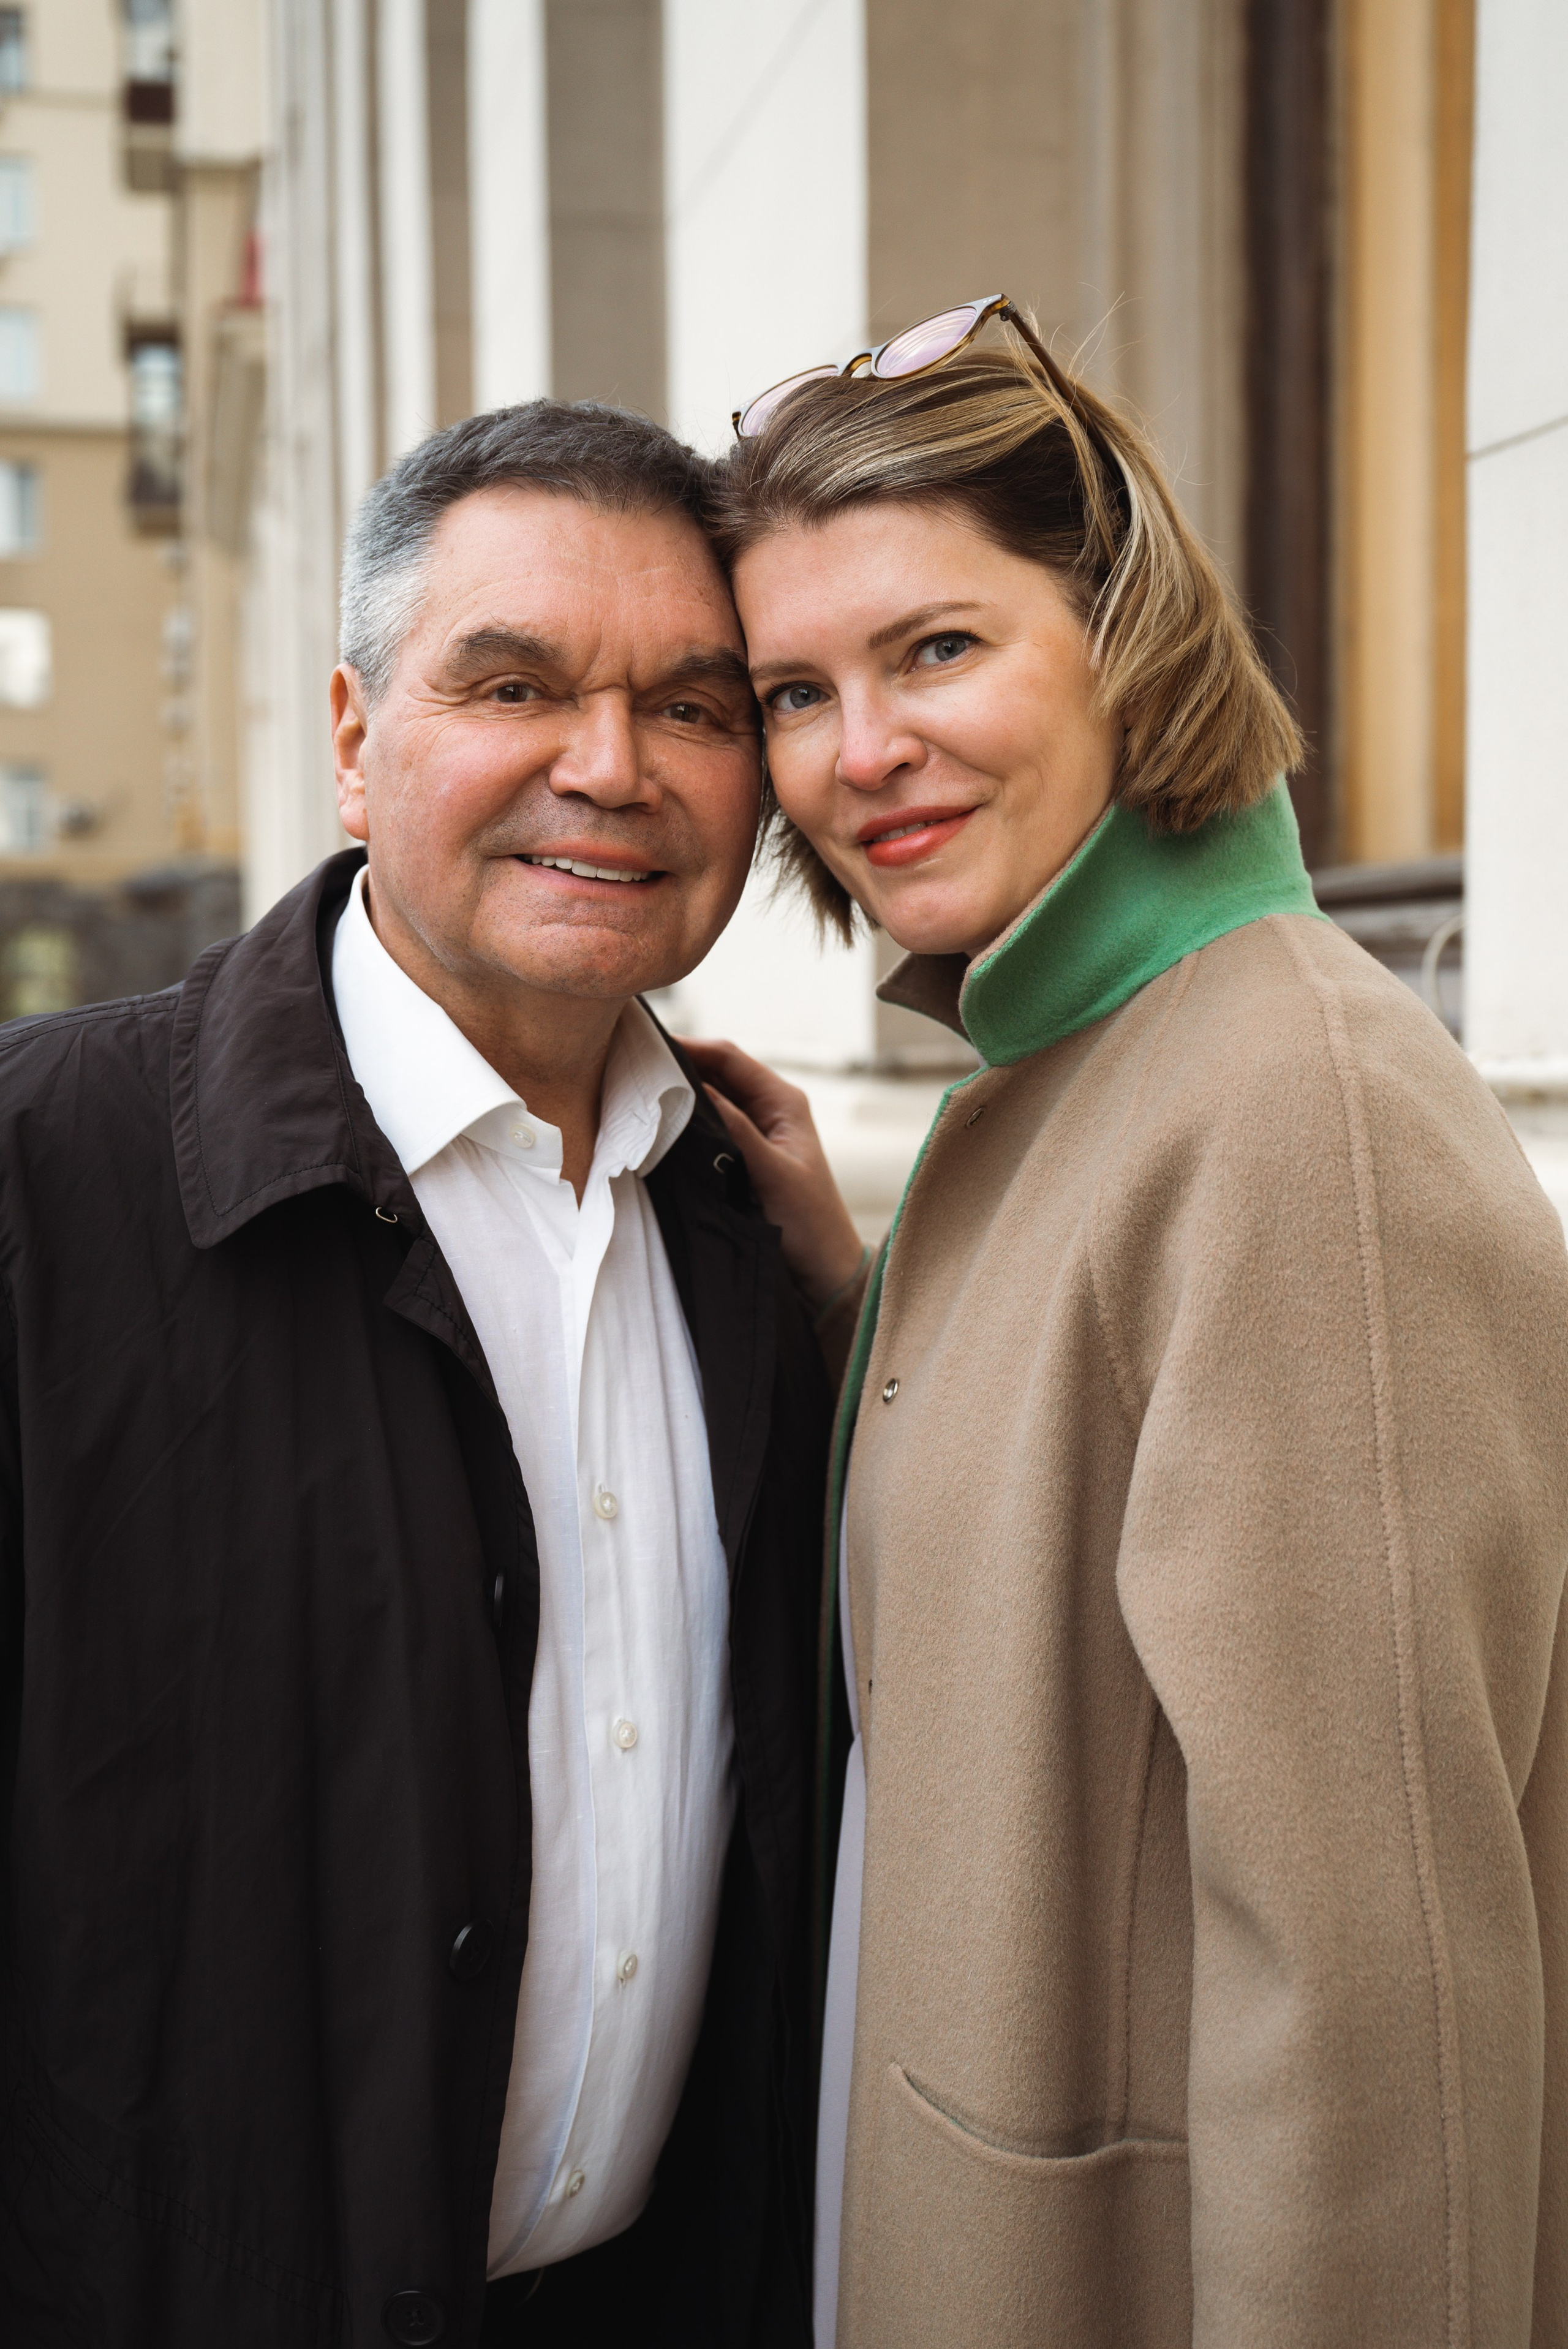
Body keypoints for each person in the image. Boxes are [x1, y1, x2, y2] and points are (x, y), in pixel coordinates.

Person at [688, 305, 1568, 2348]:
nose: (859, 752)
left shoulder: (1295, 1112)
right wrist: (865, 1308)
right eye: (796, 690)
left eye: (939, 648)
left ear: (1126, 631)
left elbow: (1386, 2006)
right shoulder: (1069, 1073)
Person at [0, 402, 830, 2348]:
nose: (608, 767)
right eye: (515, 682)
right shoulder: (47, 1178)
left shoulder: (750, 1231)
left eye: (695, 707)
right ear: (360, 739)